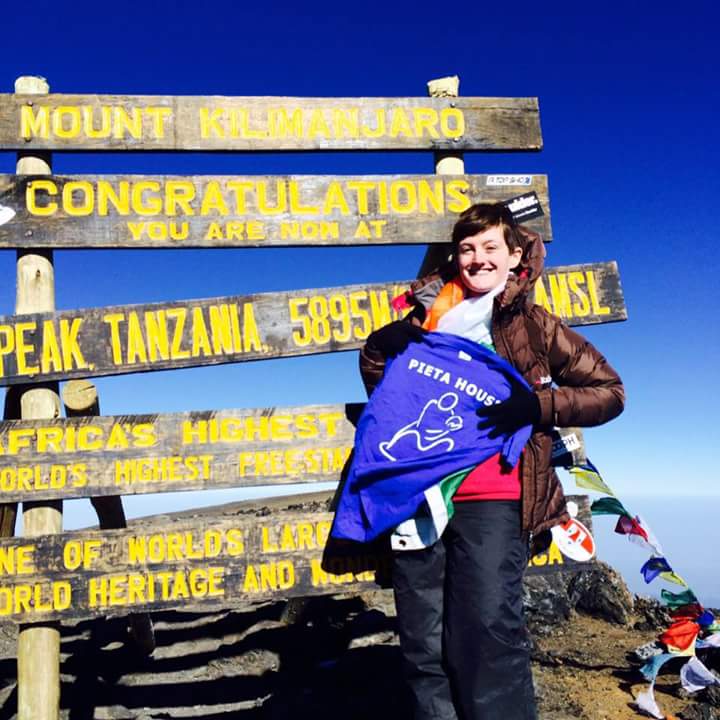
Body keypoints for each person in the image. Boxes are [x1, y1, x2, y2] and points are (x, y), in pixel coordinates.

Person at [358, 203, 625, 720]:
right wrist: (377, 348)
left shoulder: (534, 325)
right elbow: (387, 397)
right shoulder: (425, 319)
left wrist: (538, 405)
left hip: (495, 497)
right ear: (455, 257)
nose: (477, 259)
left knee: (487, 635)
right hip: (419, 496)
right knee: (422, 639)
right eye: (466, 248)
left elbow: (609, 392)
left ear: (514, 256)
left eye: (489, 248)